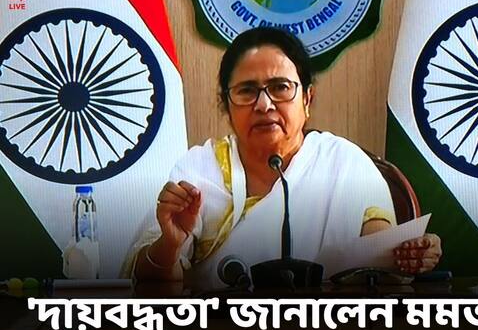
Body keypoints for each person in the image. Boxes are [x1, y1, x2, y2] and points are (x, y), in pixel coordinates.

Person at [123, 27, 441, 290]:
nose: (264, 105)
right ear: (226, 105)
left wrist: (412, 254)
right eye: (247, 91)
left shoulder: (344, 163)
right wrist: (169, 245)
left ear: (307, 99)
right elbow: (151, 289)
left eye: (280, 87)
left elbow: (378, 259)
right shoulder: (198, 171)